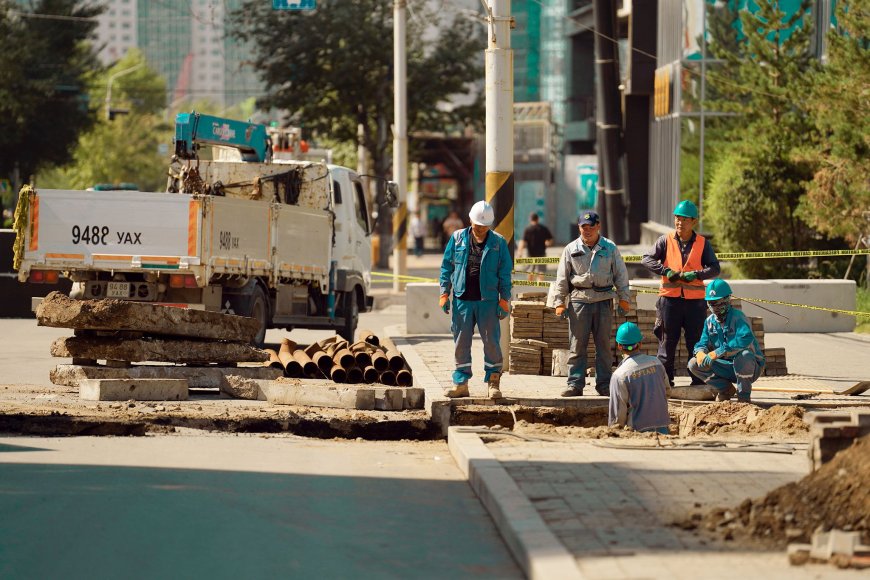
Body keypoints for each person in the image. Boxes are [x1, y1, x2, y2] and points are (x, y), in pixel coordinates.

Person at [641, 200, 720, 386]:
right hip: (669, 301)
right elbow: (647, 259)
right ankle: (665, 382)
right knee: (666, 343)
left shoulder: (702, 243)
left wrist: (698, 274)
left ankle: (698, 381)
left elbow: (715, 268)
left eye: (684, 219)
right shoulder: (665, 240)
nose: (679, 223)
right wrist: (665, 271)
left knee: (696, 343)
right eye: (677, 218)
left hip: (695, 303)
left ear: (693, 222)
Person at [439, 200, 512, 399]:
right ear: (470, 221)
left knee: (491, 342)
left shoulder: (498, 243)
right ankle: (461, 383)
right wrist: (444, 293)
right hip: (462, 300)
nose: (480, 230)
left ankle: (493, 382)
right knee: (461, 342)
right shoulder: (457, 238)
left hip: (487, 300)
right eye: (477, 226)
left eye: (484, 226)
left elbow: (505, 273)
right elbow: (447, 267)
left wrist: (504, 299)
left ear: (490, 225)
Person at [553, 210, 631, 397]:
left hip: (603, 302)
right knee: (577, 345)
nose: (587, 230)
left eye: (590, 226)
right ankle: (575, 385)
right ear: (579, 228)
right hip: (579, 301)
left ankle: (604, 385)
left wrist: (624, 299)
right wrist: (559, 303)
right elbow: (562, 278)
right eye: (583, 227)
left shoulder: (610, 248)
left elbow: (621, 275)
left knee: (603, 346)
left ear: (598, 226)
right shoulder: (570, 249)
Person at [688, 279, 765, 403]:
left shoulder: (738, 317)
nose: (715, 308)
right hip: (726, 367)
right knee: (693, 364)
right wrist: (700, 352)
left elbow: (744, 338)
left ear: (727, 300)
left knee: (744, 356)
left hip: (749, 366)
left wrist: (719, 352)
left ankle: (743, 397)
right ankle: (726, 390)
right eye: (711, 304)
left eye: (718, 303)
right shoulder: (709, 322)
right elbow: (702, 342)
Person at [608, 322, 671, 434]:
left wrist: (614, 432)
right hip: (663, 427)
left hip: (639, 432)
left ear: (619, 346)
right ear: (640, 344)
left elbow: (618, 415)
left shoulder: (619, 375)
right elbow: (667, 391)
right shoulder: (656, 363)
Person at [517, 212, 554, 282]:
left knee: (530, 271)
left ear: (530, 219)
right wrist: (548, 243)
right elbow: (550, 240)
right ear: (538, 219)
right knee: (541, 272)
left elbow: (522, 242)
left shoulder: (527, 229)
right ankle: (540, 288)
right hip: (541, 254)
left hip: (530, 254)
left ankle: (530, 288)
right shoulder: (543, 228)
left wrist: (519, 252)